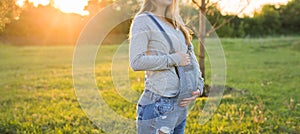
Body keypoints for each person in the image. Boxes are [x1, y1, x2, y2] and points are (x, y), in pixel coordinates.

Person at [129, 0, 204, 133]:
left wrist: (199, 85)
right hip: (158, 104)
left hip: (180, 105)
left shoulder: (175, 20)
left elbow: (190, 55)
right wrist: (173, 59)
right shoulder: (143, 21)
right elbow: (136, 61)